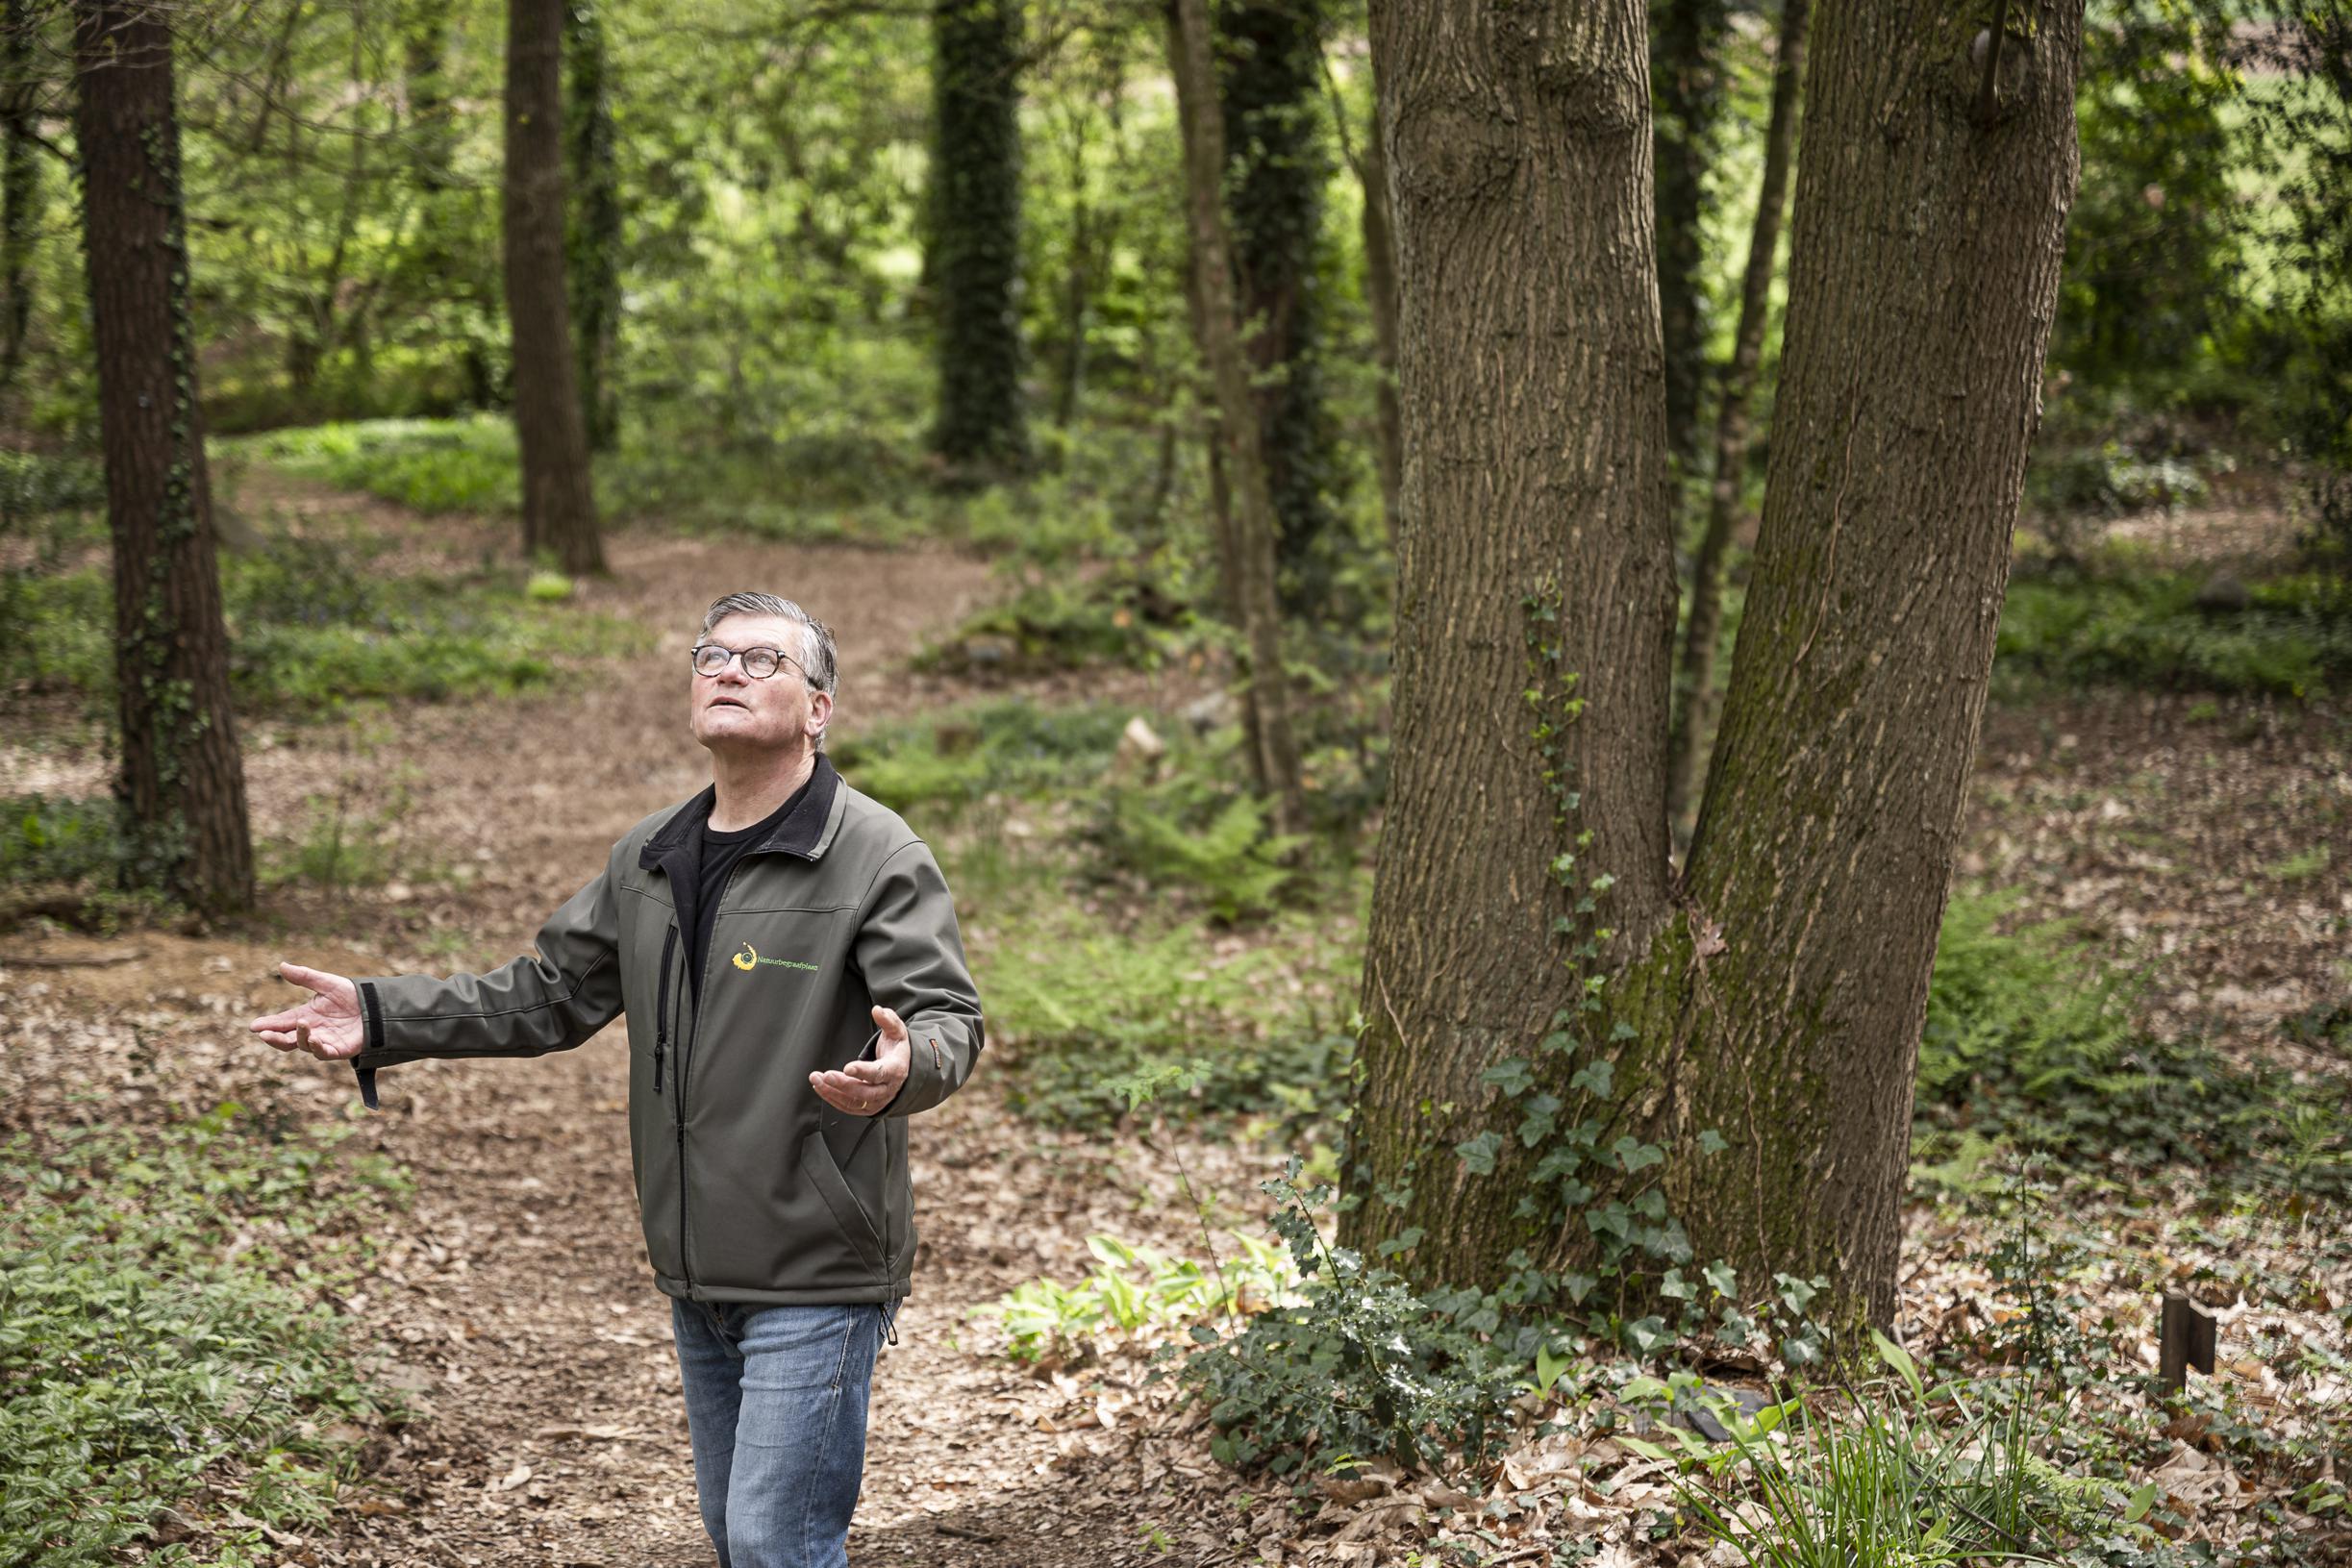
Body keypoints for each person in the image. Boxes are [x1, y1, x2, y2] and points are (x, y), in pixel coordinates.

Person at [249, 591, 984, 1568]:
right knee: (739, 1539)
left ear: (818, 708)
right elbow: (549, 993)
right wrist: (383, 1015)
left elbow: (948, 1016)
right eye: (711, 654)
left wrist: (905, 1067)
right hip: (695, 1266)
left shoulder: (874, 851)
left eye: (762, 660)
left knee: (776, 1543)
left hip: (816, 1265)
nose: (726, 669)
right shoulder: (651, 854)